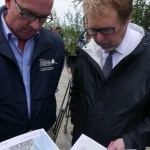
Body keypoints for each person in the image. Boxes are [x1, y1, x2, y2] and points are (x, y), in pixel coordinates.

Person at [70, 0, 150, 149]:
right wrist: (77, 122)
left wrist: (130, 140)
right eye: (92, 30)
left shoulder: (146, 57)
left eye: (107, 30)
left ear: (127, 19)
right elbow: (77, 92)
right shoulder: (86, 52)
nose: (99, 39)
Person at [0, 0, 65, 142]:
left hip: (43, 135)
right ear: (9, 2)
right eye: (28, 14)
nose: (36, 25)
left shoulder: (55, 45)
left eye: (43, 18)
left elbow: (51, 89)